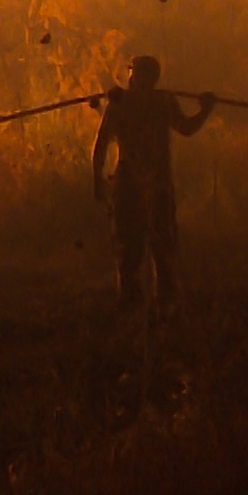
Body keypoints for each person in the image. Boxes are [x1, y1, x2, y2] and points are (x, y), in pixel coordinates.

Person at [91, 55, 216, 311]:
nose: (138, 80)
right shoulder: (122, 103)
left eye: (143, 75)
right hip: (131, 182)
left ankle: (163, 304)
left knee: (161, 246)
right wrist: (97, 179)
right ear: (131, 76)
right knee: (130, 245)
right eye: (136, 74)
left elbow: (185, 127)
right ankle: (132, 303)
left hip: (155, 182)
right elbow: (102, 143)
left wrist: (205, 110)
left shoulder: (160, 101)